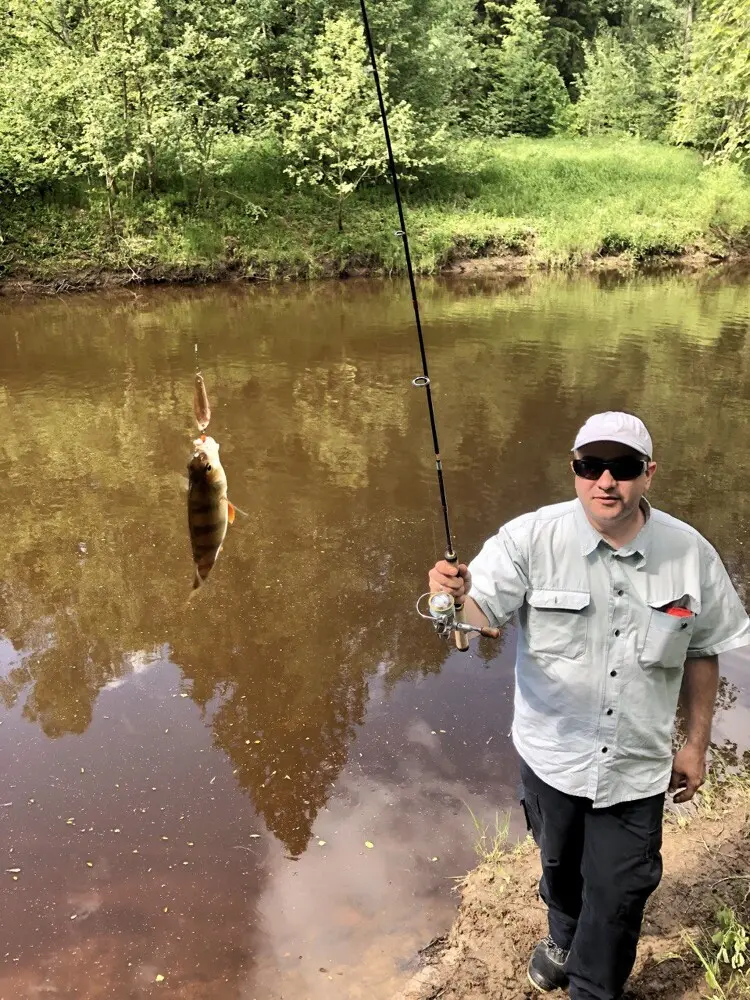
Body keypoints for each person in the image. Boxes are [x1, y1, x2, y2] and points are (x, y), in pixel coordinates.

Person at [428, 411, 750, 1000]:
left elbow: (704, 650)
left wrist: (696, 742)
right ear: (574, 471)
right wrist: (450, 598)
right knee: (560, 871)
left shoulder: (689, 552)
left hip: (637, 765)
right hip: (552, 758)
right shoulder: (528, 538)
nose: (606, 481)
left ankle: (592, 986)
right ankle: (561, 935)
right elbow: (476, 622)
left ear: (648, 475)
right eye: (590, 466)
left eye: (622, 467)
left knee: (622, 892)